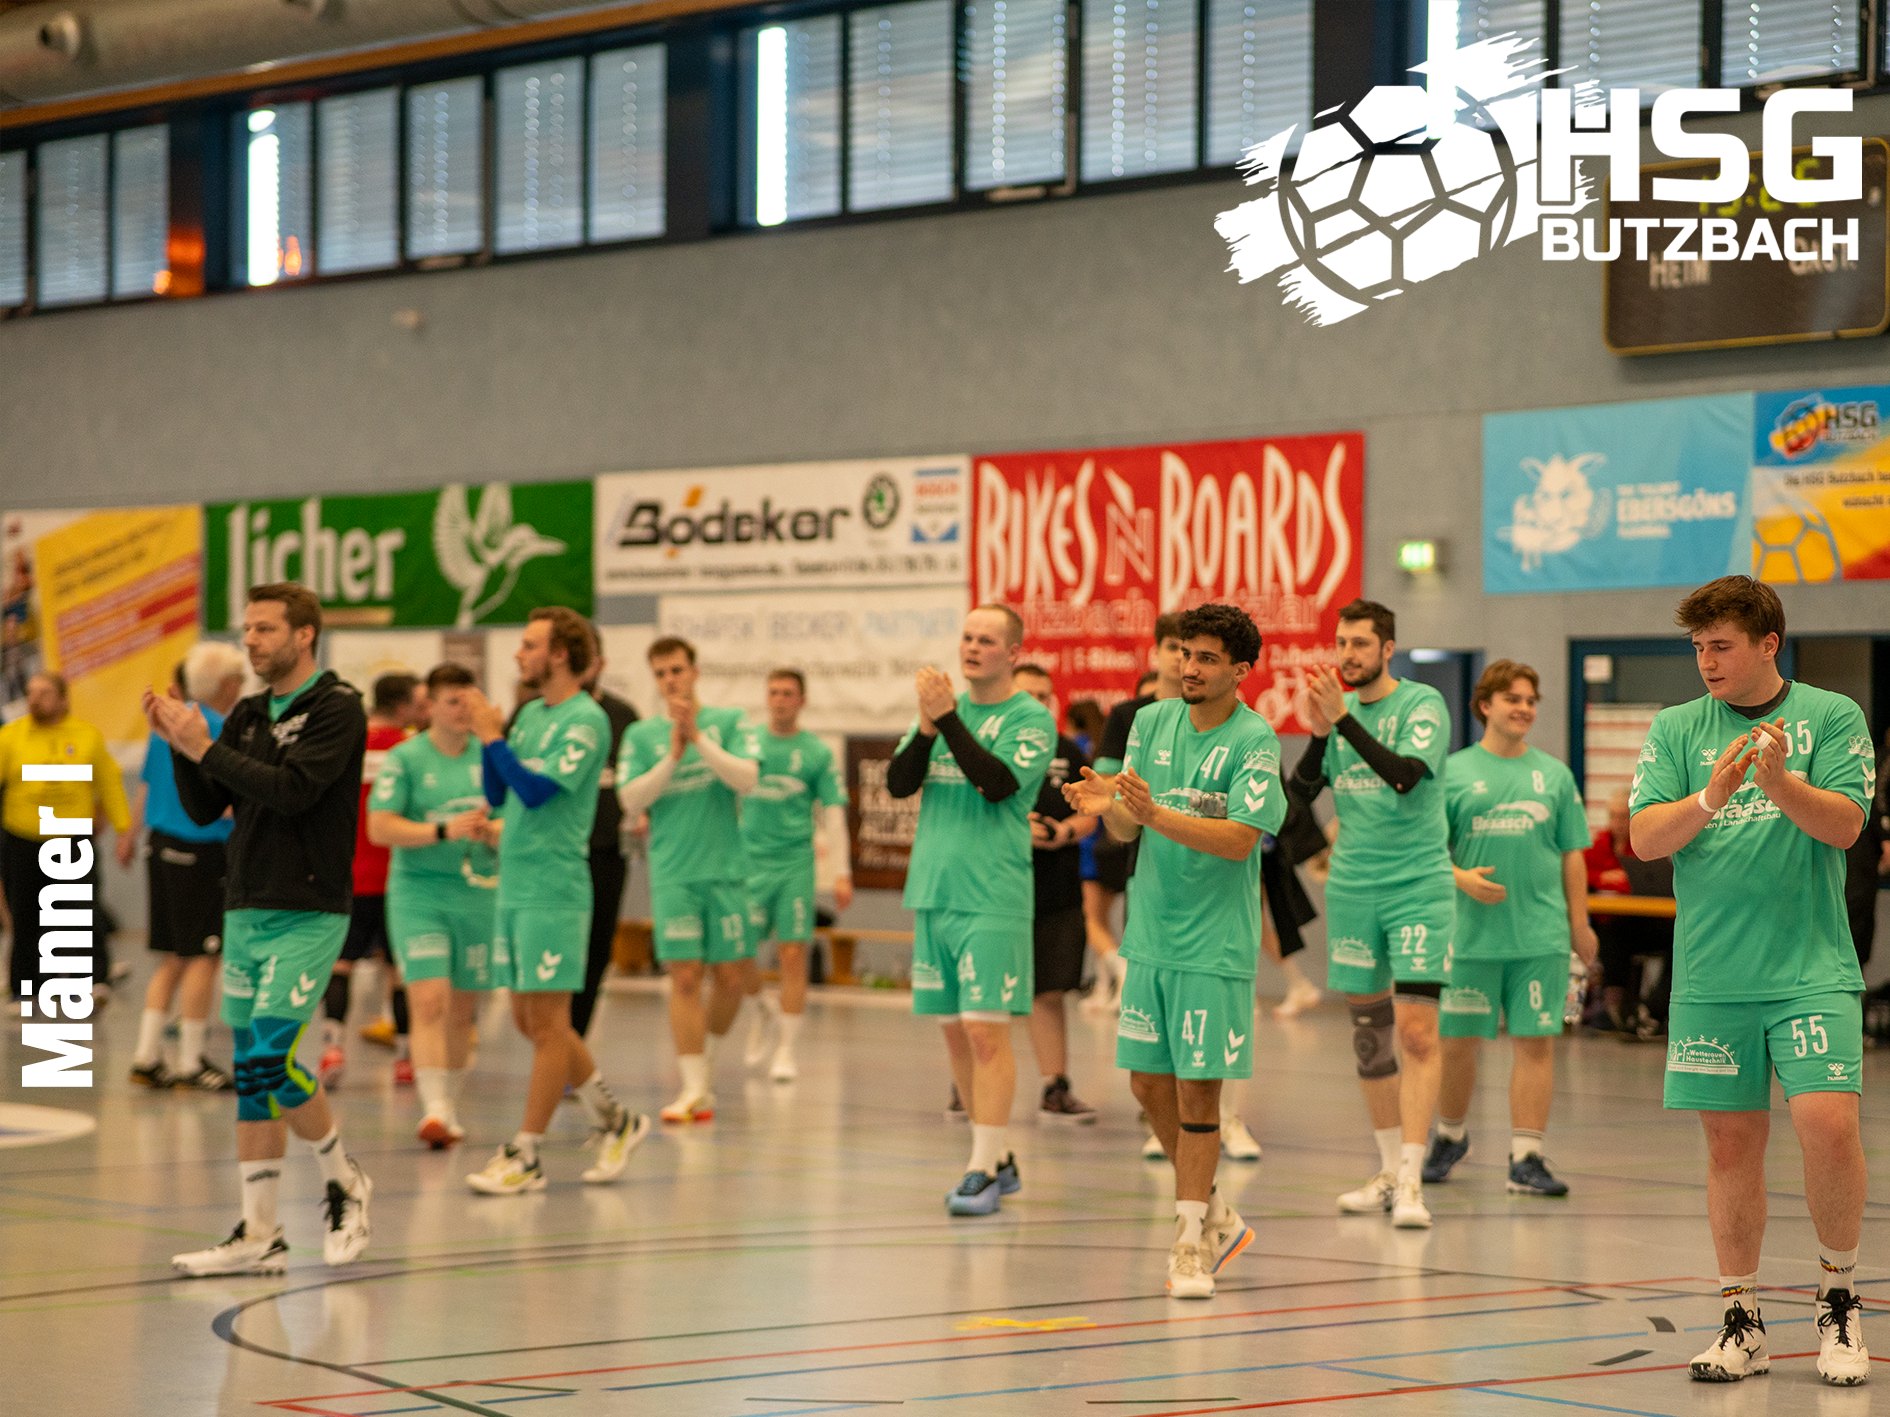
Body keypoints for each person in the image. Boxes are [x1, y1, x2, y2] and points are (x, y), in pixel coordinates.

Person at [1629, 576, 1872, 1386]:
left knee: (1828, 1123)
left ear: (1769, 643)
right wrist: (1711, 794)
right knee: (1730, 1144)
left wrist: (1778, 783)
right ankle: (1743, 1320)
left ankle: (1839, 1300)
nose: (1707, 661)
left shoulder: (1830, 715)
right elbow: (1645, 838)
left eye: (1722, 645)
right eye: (1698, 646)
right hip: (1712, 975)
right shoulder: (1676, 727)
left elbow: (1847, 824)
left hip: (1809, 967)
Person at [148, 583, 372, 1275]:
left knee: (273, 1061)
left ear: (305, 635)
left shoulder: (337, 707)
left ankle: (344, 1180)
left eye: (265, 628)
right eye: (246, 628)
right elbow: (209, 804)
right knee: (250, 1075)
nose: (250, 640)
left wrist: (204, 746)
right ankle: (260, 1233)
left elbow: (293, 792)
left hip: (308, 908)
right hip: (246, 903)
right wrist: (182, 747)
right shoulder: (247, 713)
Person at [1064, 602, 1284, 1297]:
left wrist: (1154, 811)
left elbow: (1241, 839)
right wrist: (1110, 805)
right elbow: (1129, 831)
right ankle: (1217, 1213)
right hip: (1152, 934)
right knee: (1145, 1083)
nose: (1189, 667)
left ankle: (1189, 1243)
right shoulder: (1152, 722)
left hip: (1214, 944)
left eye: (1206, 658)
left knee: (1198, 1091)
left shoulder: (1255, 739)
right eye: (1186, 654)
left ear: (1240, 670)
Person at [462, 609, 648, 1192]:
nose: (519, 654)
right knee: (528, 1019)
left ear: (560, 654)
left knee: (548, 1023)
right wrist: (492, 741)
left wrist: (492, 737)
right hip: (515, 883)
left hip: (555, 887)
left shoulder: (586, 719)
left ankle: (526, 1153)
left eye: (529, 644)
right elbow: (500, 790)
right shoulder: (530, 715)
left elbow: (539, 791)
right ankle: (617, 1119)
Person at [886, 604, 1054, 1215]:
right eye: (967, 637)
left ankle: (980, 1169)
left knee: (986, 1031)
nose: (973, 647)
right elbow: (899, 784)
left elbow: (997, 783)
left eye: (987, 639)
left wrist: (949, 720)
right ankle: (997, 1155)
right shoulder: (939, 715)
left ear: (1013, 652)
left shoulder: (1030, 718)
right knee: (956, 1034)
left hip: (992, 895)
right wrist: (927, 726)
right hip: (934, 891)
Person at [1292, 598, 1452, 1229]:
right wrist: (1319, 733)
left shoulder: (1421, 705)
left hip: (1417, 886)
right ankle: (1387, 1172)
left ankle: (1413, 1179)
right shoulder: (1338, 716)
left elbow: (1406, 775)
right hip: (1354, 888)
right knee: (1368, 1037)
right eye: (1341, 643)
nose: (1348, 655)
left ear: (1387, 649)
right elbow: (1298, 797)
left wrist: (1342, 722)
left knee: (1417, 1033)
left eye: (1360, 644)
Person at [1423, 660, 1597, 1196]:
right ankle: (1450, 1137)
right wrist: (1461, 878)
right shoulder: (1453, 772)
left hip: (1540, 937)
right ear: (1485, 706)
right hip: (1469, 937)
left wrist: (1580, 924)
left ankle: (1526, 1157)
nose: (1523, 708)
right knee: (1456, 1045)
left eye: (1530, 700)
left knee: (1536, 1043)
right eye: (1512, 699)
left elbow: (1572, 853)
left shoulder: (1555, 775)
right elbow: (1425, 850)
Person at [617, 636, 763, 1121]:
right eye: (660, 673)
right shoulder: (641, 736)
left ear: (694, 672)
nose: (670, 680)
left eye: (677, 670)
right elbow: (631, 799)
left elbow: (747, 778)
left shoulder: (729, 721)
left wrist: (698, 738)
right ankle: (693, 1086)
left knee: (731, 979)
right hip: (673, 873)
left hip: (725, 871)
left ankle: (707, 1061)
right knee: (683, 977)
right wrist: (673, 756)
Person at [367, 663, 502, 1149]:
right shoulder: (406, 757)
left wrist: (492, 831)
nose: (463, 709)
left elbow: (516, 820)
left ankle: (450, 1104)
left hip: (476, 893)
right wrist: (442, 830)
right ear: (431, 708)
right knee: (428, 1000)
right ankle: (434, 1109)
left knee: (463, 1010)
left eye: (470, 699)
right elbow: (379, 827)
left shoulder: (491, 756)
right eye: (452, 701)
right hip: (419, 894)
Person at [126, 644, 246, 1090]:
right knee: (203, 957)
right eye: (239, 680)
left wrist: (130, 833)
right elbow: (230, 798)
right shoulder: (213, 728)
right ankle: (191, 1061)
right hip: (201, 849)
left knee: (173, 957)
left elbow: (146, 785)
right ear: (226, 683)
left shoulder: (166, 722)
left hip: (160, 846)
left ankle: (145, 1055)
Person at [739, 668, 850, 1082]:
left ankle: (786, 1048)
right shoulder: (748, 744)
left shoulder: (815, 753)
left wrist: (842, 872)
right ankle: (760, 1009)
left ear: (802, 700)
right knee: (736, 953)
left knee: (792, 954)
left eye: (788, 693)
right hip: (749, 862)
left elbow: (833, 815)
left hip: (794, 864)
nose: (780, 699)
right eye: (774, 692)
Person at [2, 671, 132, 1011]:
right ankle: (26, 988)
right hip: (23, 838)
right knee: (26, 915)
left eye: (44, 692)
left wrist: (124, 829)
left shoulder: (86, 736)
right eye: (31, 692)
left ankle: (93, 981)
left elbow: (109, 782)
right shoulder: (10, 737)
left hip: (72, 839)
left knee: (82, 911)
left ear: (62, 699)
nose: (35, 699)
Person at [319, 673, 425, 1088]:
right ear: (402, 708)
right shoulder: (411, 750)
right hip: (398, 877)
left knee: (340, 965)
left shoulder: (348, 746)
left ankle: (332, 1049)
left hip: (349, 874)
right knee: (398, 970)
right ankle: (405, 1057)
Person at [1086, 618, 1187, 1013]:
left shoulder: (1213, 715)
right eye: (1173, 647)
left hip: (1197, 852)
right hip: (1142, 851)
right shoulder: (1129, 715)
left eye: (1190, 650)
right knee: (1146, 965)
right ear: (1156, 652)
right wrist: (1133, 793)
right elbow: (1106, 781)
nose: (1181, 658)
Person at [1013, 663, 1100, 1122]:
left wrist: (1064, 831)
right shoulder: (986, 748)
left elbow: (1092, 811)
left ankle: (1054, 1087)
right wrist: (1015, 828)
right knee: (986, 994)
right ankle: (965, 1084)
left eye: (1044, 696)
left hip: (1057, 887)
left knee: (1049, 990)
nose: (1037, 703)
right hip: (1000, 887)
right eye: (1027, 694)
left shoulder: (1067, 750)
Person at [572, 637, 638, 1040]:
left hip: (606, 851)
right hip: (556, 854)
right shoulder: (534, 714)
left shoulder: (622, 716)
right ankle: (555, 1037)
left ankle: (575, 1039)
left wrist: (640, 814)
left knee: (596, 948)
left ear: (600, 663)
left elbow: (638, 778)